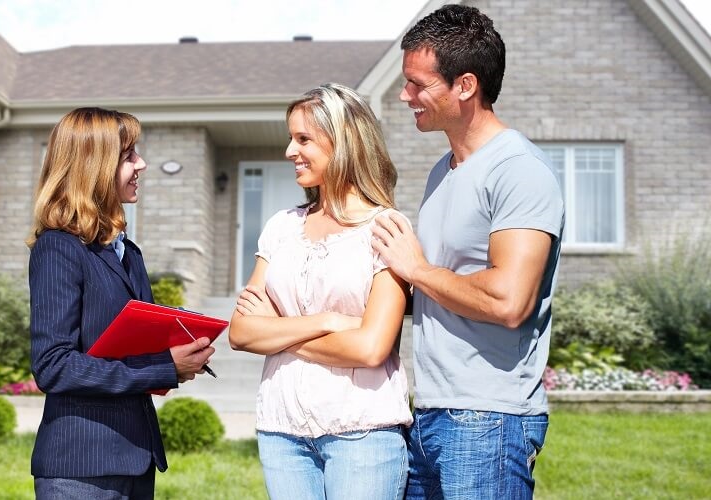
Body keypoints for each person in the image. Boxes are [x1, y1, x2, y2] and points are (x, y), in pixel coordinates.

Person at [370, 5, 566, 499]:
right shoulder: (444, 171)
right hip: (432, 411)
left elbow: (508, 300)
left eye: (417, 84)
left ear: (465, 85)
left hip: (488, 417)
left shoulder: (518, 170)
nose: (404, 95)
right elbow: (443, 286)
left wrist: (414, 267)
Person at [229, 83, 412, 500]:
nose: (289, 151)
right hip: (282, 431)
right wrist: (327, 322)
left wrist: (277, 331)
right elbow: (240, 333)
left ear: (344, 142)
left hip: (362, 431)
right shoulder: (282, 227)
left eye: (303, 139)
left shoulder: (386, 228)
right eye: (291, 138)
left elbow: (370, 348)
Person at [26, 107, 214, 500]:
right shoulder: (58, 249)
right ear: (94, 166)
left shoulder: (129, 253)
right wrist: (164, 367)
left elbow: (134, 345)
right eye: (129, 156)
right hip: (80, 471)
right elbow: (53, 366)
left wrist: (180, 346)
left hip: (134, 460)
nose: (142, 164)